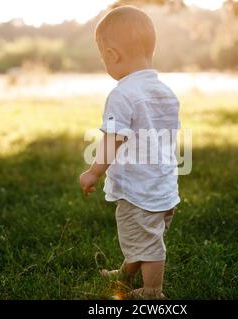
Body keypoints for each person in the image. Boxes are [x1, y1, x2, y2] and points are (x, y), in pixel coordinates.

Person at [79, 5, 180, 299]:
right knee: (144, 236)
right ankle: (125, 273)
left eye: (102, 58)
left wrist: (94, 170)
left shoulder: (122, 93)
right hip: (163, 187)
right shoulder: (165, 92)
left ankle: (152, 291)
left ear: (112, 55)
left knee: (148, 242)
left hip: (138, 192)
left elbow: (113, 139)